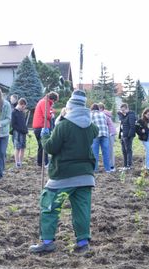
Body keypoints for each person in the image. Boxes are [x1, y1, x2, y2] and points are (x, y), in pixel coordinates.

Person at [29, 90, 98, 254]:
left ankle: (47, 242)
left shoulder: (64, 125)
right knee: (82, 210)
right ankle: (83, 243)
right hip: (86, 176)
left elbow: (52, 147)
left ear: (70, 107)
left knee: (50, 206)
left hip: (63, 175)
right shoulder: (92, 128)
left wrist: (45, 137)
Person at [32, 92, 59, 167]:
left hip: (38, 126)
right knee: (45, 144)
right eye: (54, 101)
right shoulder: (45, 102)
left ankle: (40, 162)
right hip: (42, 126)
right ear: (52, 99)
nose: (54, 103)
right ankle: (45, 163)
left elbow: (47, 111)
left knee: (41, 146)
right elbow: (46, 115)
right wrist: (52, 115)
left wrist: (51, 111)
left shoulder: (43, 101)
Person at [90, 103, 111, 172]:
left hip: (96, 135)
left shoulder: (91, 114)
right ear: (98, 109)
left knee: (95, 153)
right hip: (105, 134)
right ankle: (107, 169)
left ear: (92, 109)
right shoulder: (103, 114)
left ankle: (95, 169)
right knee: (106, 152)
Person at [118, 103, 136, 170]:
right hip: (123, 135)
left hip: (128, 136)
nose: (122, 112)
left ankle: (129, 165)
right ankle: (125, 165)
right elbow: (122, 122)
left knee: (128, 150)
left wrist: (129, 136)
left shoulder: (131, 115)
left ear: (127, 109)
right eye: (121, 110)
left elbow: (132, 126)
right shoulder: (125, 115)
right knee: (123, 150)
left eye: (123, 110)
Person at [98, 103, 116, 171]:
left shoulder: (104, 114)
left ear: (101, 109)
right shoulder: (104, 113)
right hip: (108, 133)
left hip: (110, 133)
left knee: (110, 150)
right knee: (108, 149)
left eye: (98, 108)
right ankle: (109, 165)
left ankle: (112, 166)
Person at [11, 98, 28, 168]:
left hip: (23, 133)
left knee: (23, 148)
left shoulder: (22, 112)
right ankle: (17, 163)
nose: (24, 108)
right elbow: (13, 124)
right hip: (17, 133)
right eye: (23, 106)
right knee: (17, 148)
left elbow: (24, 123)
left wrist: (26, 131)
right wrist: (21, 130)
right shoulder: (14, 112)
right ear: (20, 104)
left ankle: (20, 162)